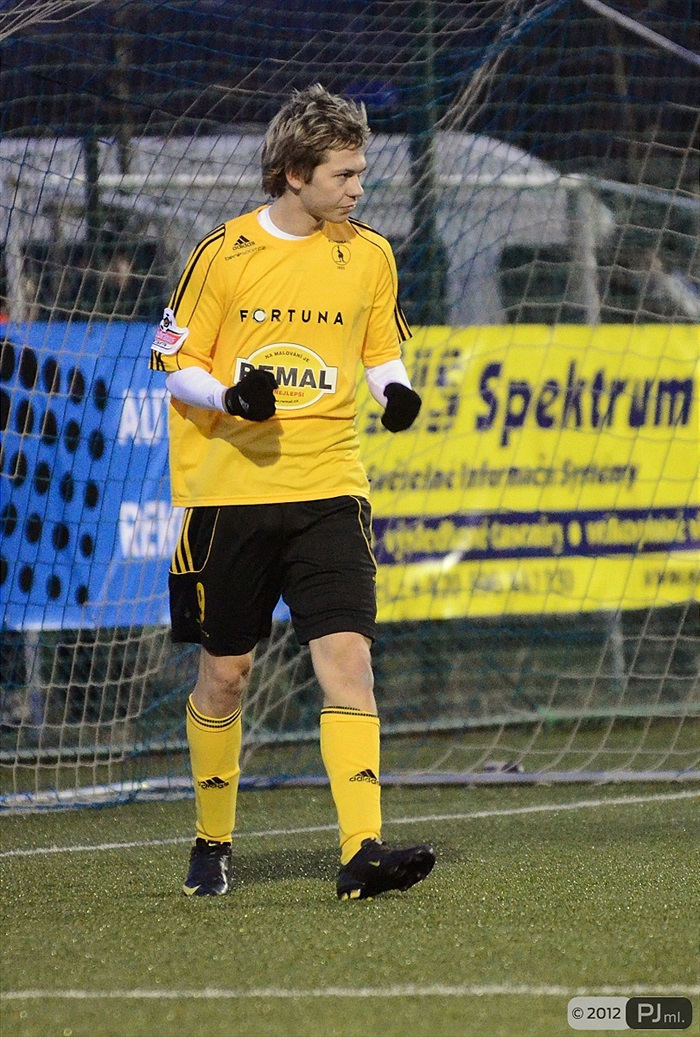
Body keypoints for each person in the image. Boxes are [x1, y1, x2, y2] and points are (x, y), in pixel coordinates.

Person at [149, 83, 435, 900]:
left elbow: (380, 348)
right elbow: (174, 361)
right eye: (344, 173)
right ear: (294, 173)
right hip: (229, 493)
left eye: (361, 171)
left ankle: (362, 850)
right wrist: (229, 396)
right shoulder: (223, 252)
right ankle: (211, 839)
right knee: (227, 673)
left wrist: (395, 391)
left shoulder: (369, 253)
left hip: (330, 488)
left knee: (348, 659)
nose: (358, 186)